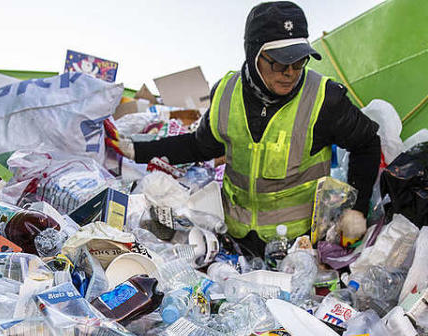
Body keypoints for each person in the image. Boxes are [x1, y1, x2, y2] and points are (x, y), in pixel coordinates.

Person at [108, 1, 381, 256]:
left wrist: (356, 210)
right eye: (279, 61)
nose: (290, 72)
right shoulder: (226, 93)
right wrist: (135, 150)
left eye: (299, 61)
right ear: (253, 54)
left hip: (297, 246)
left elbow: (367, 142)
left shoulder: (325, 98)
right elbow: (200, 145)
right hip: (234, 237)